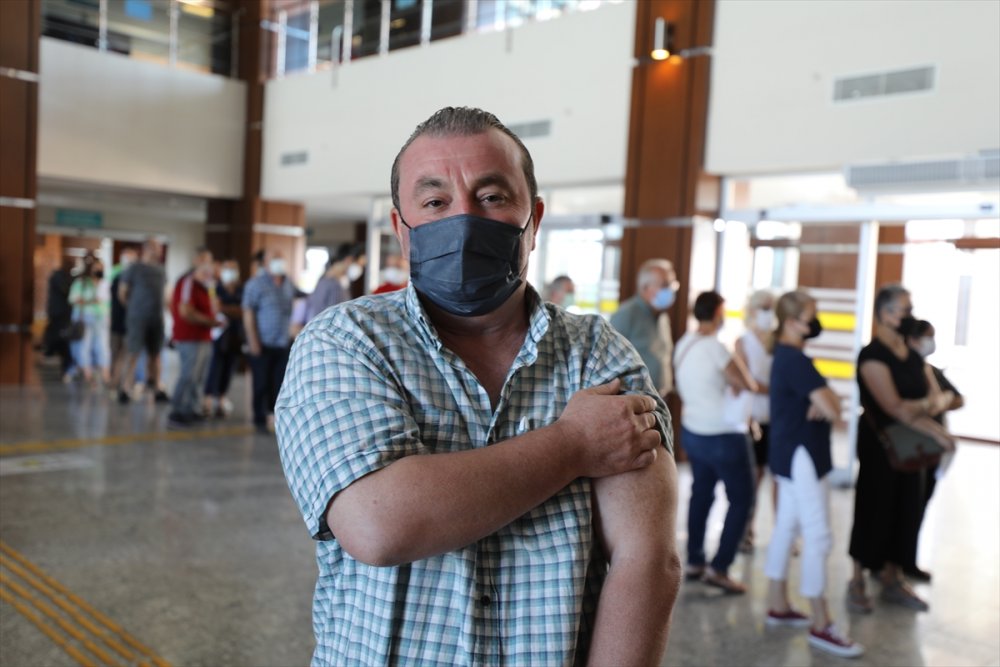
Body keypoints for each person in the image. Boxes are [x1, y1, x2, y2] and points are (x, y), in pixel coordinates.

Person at [275, 106, 681, 666]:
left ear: (532, 221)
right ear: (402, 229)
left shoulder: (597, 354)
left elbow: (647, 561)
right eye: (436, 202)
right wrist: (574, 445)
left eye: (492, 197)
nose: (463, 221)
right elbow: (379, 523)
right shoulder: (346, 342)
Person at [763, 290, 863, 658]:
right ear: (791, 322)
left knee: (789, 526)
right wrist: (826, 402)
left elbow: (827, 404)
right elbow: (833, 407)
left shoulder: (790, 357)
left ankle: (777, 602)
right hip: (801, 454)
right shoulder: (793, 360)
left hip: (793, 452)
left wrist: (825, 402)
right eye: (811, 315)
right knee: (818, 534)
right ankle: (821, 623)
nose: (816, 321)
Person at [846, 285, 956, 613]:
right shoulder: (872, 355)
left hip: (915, 445)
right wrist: (928, 407)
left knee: (907, 509)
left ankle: (894, 576)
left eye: (910, 309)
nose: (909, 316)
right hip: (881, 446)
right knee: (873, 508)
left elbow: (935, 398)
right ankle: (858, 579)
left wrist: (926, 411)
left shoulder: (910, 353)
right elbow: (895, 408)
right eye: (903, 310)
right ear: (884, 312)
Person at [673, 290, 757, 594]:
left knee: (702, 493)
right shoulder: (716, 347)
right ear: (718, 313)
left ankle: (695, 560)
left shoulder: (684, 343)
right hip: (724, 433)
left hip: (693, 431)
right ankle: (720, 568)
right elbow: (746, 382)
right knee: (742, 498)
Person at [903, 319, 964, 582]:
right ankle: (892, 562)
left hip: (931, 449)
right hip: (908, 448)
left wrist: (944, 401)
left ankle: (907, 560)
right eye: (927, 337)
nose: (931, 342)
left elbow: (956, 398)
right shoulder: (905, 372)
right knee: (905, 506)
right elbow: (911, 409)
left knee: (920, 504)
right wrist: (933, 403)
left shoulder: (930, 370)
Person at [734, 289, 776, 552]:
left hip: (777, 417)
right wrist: (777, 388)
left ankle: (783, 534)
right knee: (754, 476)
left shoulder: (777, 341)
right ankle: (746, 529)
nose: (768, 313)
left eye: (772, 307)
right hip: (754, 417)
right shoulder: (743, 342)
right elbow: (748, 382)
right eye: (764, 307)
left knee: (780, 479)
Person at [242, 249, 295, 434]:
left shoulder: (288, 283)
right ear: (265, 262)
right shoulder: (255, 284)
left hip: (283, 342)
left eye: (280, 258)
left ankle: (274, 416)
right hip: (262, 342)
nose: (278, 262)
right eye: (274, 258)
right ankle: (259, 418)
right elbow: (248, 313)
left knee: (279, 382)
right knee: (261, 382)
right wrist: (252, 340)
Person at [610, 259, 679, 398]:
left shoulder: (663, 317)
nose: (671, 290)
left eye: (673, 284)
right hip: (633, 400)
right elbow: (611, 362)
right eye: (665, 285)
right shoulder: (625, 315)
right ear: (645, 287)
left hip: (660, 397)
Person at [168, 249, 218, 428]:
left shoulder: (207, 283)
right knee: (188, 374)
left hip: (205, 336)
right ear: (195, 260)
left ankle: (192, 409)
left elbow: (213, 306)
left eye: (209, 260)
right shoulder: (188, 281)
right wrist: (209, 321)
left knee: (200, 376)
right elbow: (185, 311)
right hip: (189, 336)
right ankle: (177, 410)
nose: (207, 264)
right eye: (203, 260)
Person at [117, 239, 169, 404]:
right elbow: (122, 293)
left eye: (159, 247)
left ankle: (156, 387)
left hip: (156, 319)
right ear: (146, 249)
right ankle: (126, 388)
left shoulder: (161, 271)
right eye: (155, 247)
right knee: (133, 353)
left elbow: (166, 295)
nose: (158, 250)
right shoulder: (134, 268)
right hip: (137, 318)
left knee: (156, 354)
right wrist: (134, 309)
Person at [203, 259, 244, 418]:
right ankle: (208, 398)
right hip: (218, 335)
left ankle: (221, 398)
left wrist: (226, 309)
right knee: (214, 366)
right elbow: (214, 308)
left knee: (229, 367)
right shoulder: (215, 288)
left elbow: (243, 311)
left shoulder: (242, 290)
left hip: (235, 335)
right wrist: (233, 310)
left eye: (233, 269)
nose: (230, 273)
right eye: (227, 269)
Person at [68, 257, 111, 386]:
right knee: (83, 346)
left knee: (102, 346)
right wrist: (91, 301)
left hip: (101, 318)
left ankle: (105, 374)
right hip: (85, 318)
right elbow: (73, 299)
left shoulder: (105, 283)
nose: (99, 270)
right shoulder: (81, 282)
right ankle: (87, 374)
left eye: (101, 268)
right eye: (97, 267)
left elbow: (107, 302)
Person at [109, 247, 142, 394]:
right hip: (120, 324)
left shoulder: (126, 279)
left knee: (124, 356)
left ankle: (121, 384)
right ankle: (119, 385)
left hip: (126, 324)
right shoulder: (119, 279)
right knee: (120, 356)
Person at [304, 243, 363, 323]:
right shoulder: (328, 282)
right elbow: (318, 315)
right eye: (360, 264)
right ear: (348, 260)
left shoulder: (342, 282)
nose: (360, 268)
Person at [44, 256, 78, 382]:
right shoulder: (58, 276)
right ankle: (62, 360)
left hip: (64, 314)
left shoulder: (67, 277)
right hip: (58, 314)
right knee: (62, 339)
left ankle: (66, 365)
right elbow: (67, 291)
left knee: (64, 339)